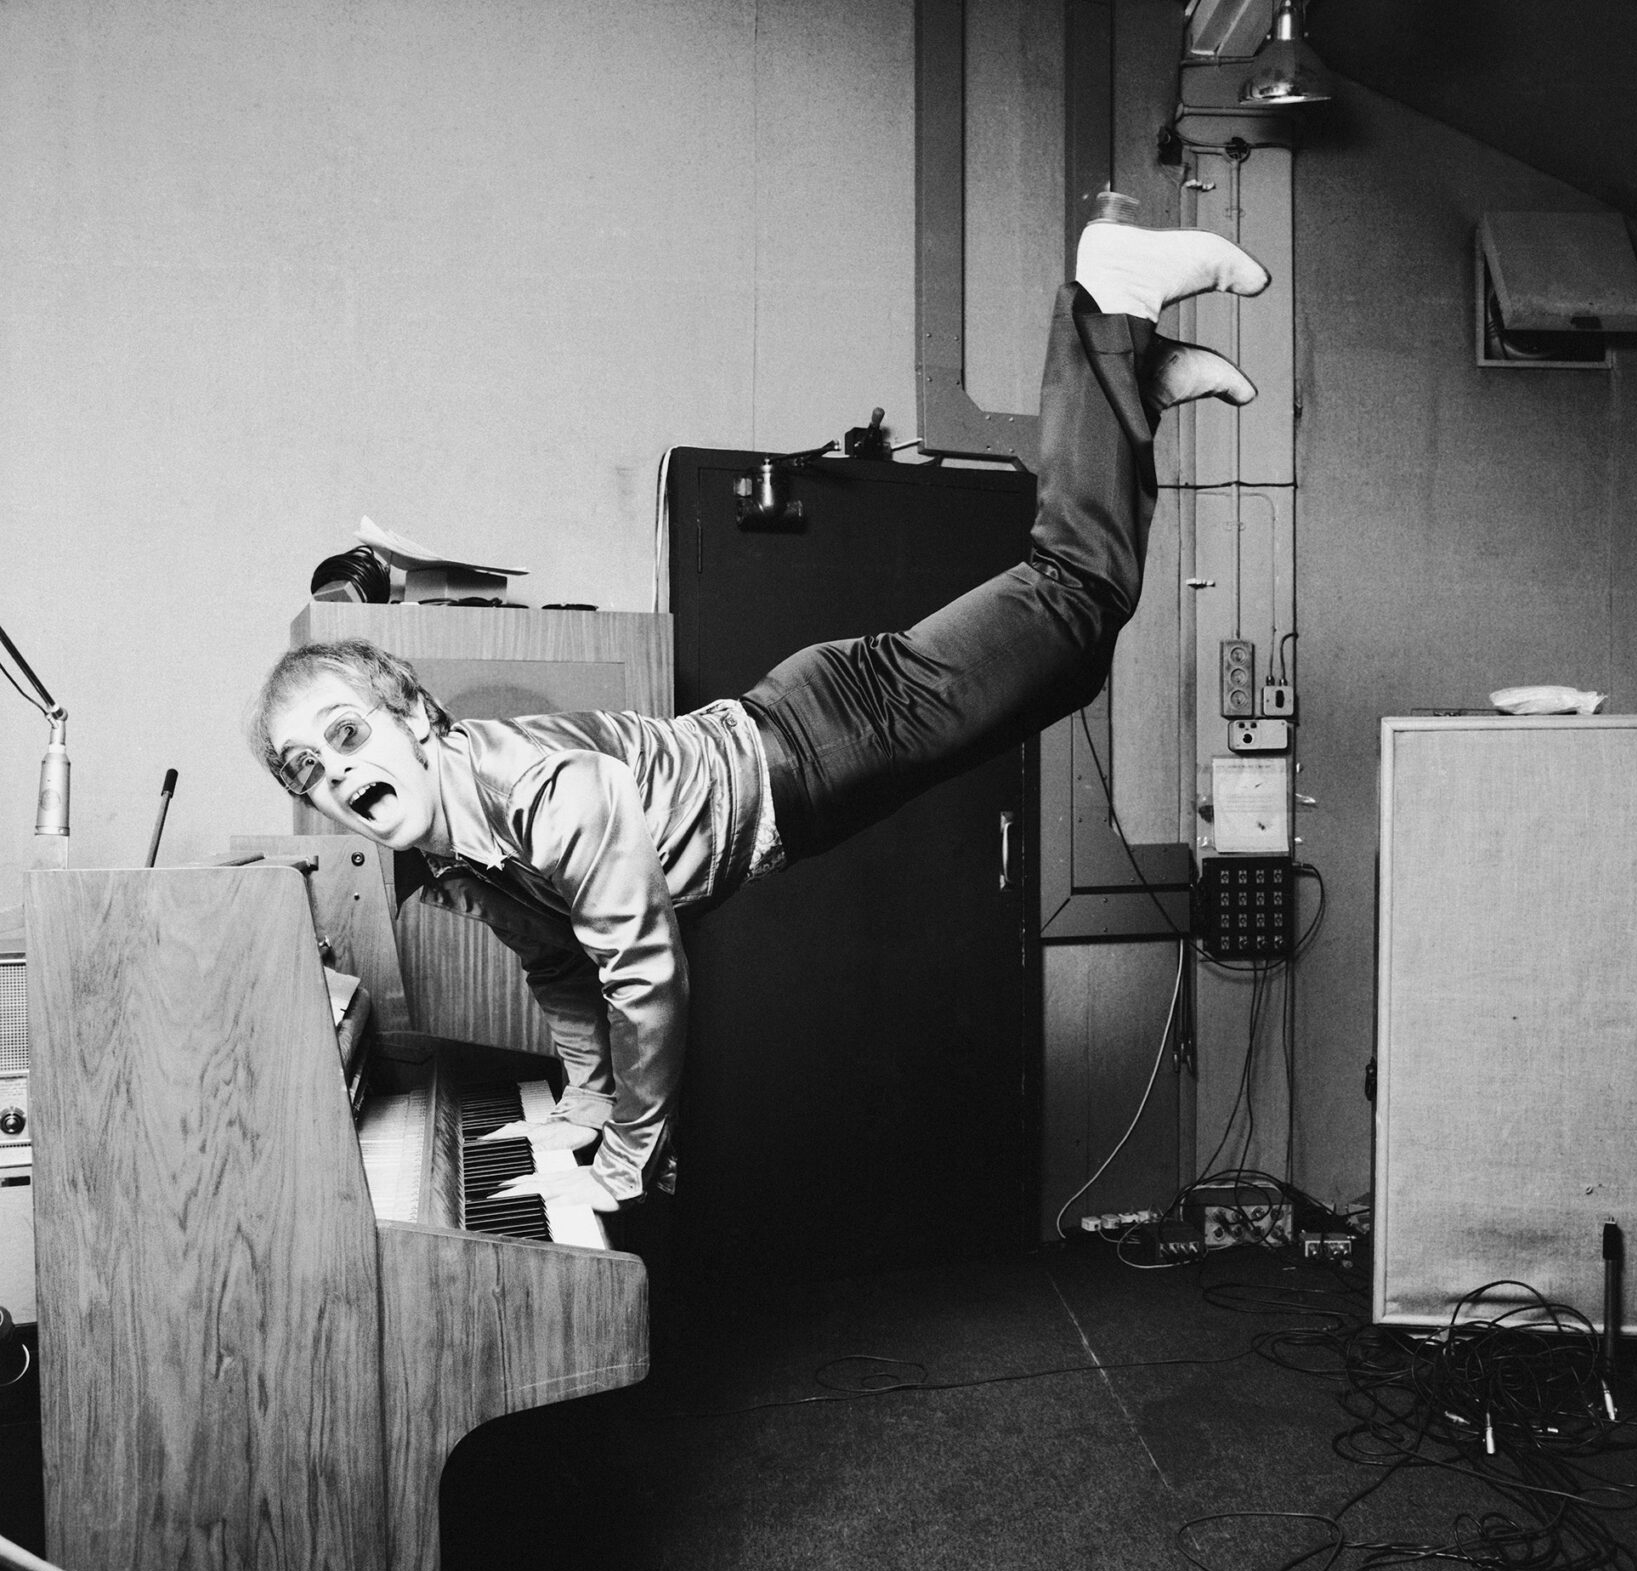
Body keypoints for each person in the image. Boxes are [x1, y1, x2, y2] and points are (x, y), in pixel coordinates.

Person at [249, 204, 1268, 1223]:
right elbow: (558, 965)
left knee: (1077, 595)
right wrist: (585, 1101)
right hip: (805, 770)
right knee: (1067, 672)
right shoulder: (454, 851)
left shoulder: (537, 795)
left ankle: (1106, 297)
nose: (333, 774)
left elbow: (641, 973)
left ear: (416, 716)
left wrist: (629, 1154)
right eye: (305, 770)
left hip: (824, 734)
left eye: (346, 733)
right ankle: (1132, 378)